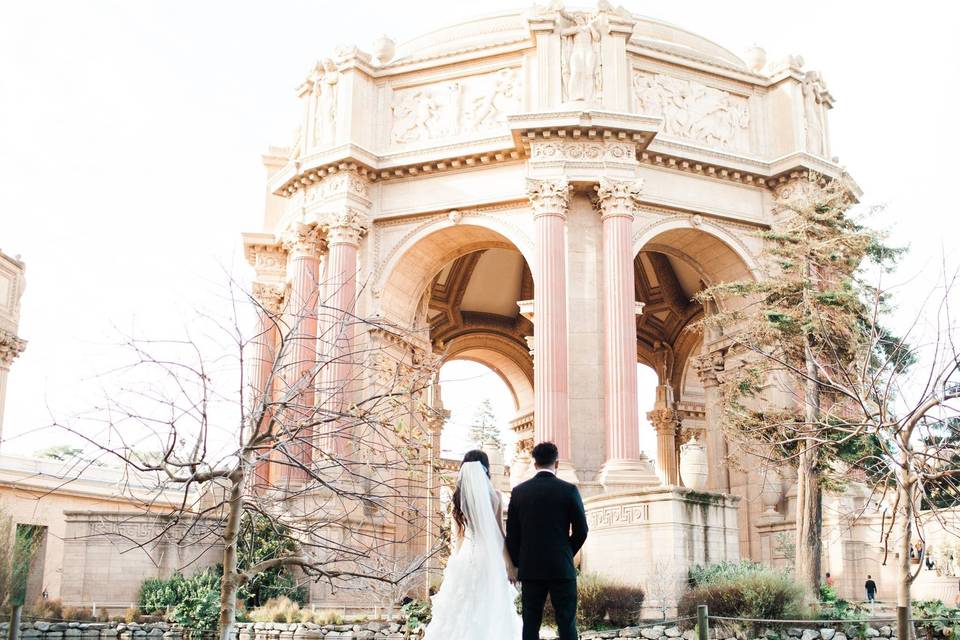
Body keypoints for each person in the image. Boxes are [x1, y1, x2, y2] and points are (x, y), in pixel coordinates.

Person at [423, 450, 521, 640]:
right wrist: (509, 566)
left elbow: (458, 537)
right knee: (490, 606)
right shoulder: (496, 497)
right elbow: (499, 534)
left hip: (466, 557)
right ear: (486, 469)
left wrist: (455, 562)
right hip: (489, 559)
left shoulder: (458, 498)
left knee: (460, 606)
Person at [506, 442, 589, 640]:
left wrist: (517, 563)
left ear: (534, 463)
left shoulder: (519, 492)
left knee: (531, 624)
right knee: (567, 623)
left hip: (530, 568)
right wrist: (567, 551)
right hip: (561, 566)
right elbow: (582, 530)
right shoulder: (569, 490)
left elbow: (513, 534)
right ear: (557, 463)